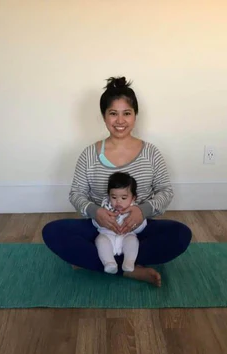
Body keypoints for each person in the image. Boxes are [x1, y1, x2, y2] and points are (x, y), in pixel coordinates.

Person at [42, 76, 192, 287]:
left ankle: (97, 263)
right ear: (104, 117)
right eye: (113, 113)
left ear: (135, 116)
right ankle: (129, 269)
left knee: (180, 234)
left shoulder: (151, 153)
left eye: (126, 113)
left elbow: (165, 191)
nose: (120, 121)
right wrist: (97, 212)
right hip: (101, 230)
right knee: (52, 232)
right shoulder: (90, 154)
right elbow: (76, 194)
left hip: (137, 229)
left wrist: (143, 211)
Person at [93, 172, 146, 274]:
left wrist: (135, 225)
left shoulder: (135, 210)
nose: (118, 202)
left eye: (124, 198)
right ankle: (109, 262)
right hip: (108, 236)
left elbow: (142, 227)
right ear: (109, 196)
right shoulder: (104, 207)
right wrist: (101, 221)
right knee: (100, 240)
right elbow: (95, 222)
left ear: (133, 198)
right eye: (113, 197)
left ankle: (129, 262)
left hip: (126, 236)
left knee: (133, 241)